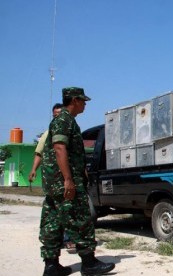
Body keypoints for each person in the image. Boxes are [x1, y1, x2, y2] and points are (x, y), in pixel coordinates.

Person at [40, 87, 115, 276]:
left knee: (53, 223)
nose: (85, 104)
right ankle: (89, 263)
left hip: (53, 183)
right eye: (83, 101)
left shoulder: (64, 121)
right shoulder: (64, 120)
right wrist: (68, 179)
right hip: (63, 182)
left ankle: (51, 266)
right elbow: (59, 148)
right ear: (74, 100)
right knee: (81, 219)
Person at [29, 103, 77, 253]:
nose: (58, 117)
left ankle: (56, 249)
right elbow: (39, 152)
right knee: (62, 210)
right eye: (55, 115)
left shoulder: (70, 129)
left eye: (60, 114)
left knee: (65, 209)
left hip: (64, 178)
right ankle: (64, 241)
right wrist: (33, 170)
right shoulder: (49, 132)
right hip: (56, 180)